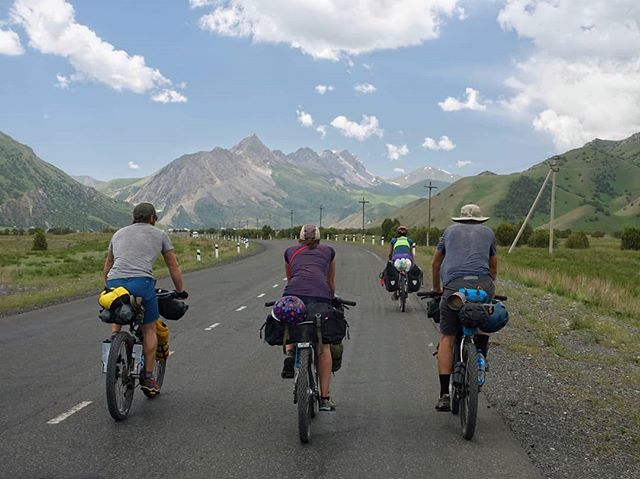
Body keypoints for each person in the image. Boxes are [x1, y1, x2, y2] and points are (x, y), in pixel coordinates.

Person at [103, 202, 187, 398]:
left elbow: (108, 265)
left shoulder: (118, 234)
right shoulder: (160, 235)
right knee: (150, 328)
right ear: (152, 219)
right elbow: (173, 267)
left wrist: (108, 287)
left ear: (133, 217)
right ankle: (148, 378)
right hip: (142, 283)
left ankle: (114, 343)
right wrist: (180, 290)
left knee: (118, 308)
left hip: (115, 281)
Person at [431, 204, 497, 411]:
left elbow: (435, 263)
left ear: (460, 218)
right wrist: (488, 284)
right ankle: (480, 358)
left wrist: (436, 289)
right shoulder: (488, 233)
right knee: (483, 319)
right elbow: (493, 266)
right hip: (482, 285)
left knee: (447, 338)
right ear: (480, 219)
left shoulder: (449, 232)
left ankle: (444, 395)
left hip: (453, 287)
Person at [282, 224, 337, 411]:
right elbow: (330, 283)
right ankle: (325, 397)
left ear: (300, 238)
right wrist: (332, 299)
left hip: (294, 296)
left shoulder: (290, 251)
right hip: (320, 298)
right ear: (319, 239)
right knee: (324, 346)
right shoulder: (328, 251)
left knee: (290, 322)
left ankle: (290, 353)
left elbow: (290, 279)